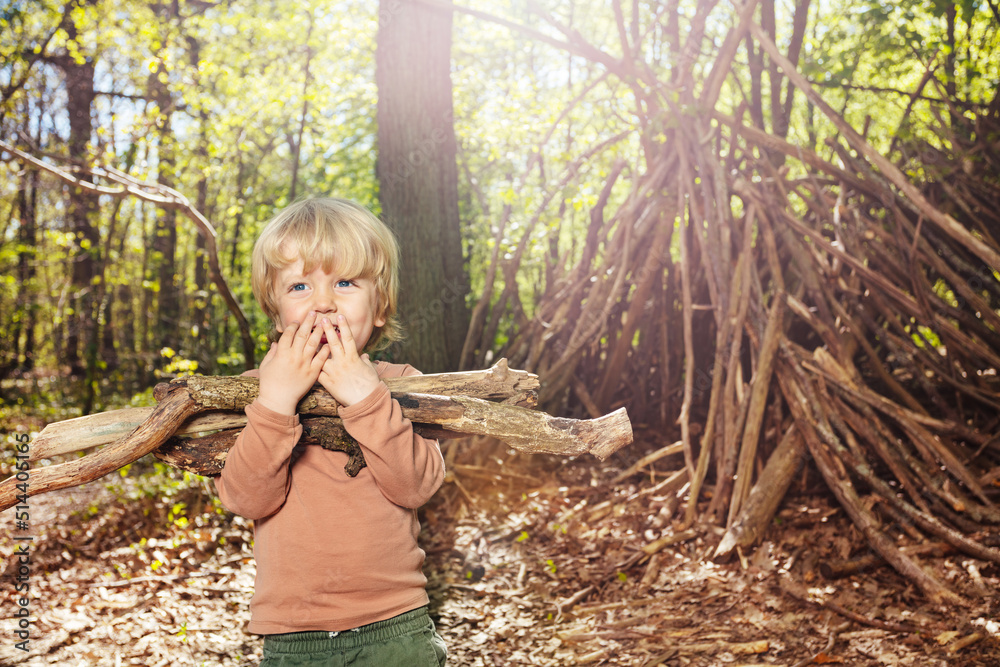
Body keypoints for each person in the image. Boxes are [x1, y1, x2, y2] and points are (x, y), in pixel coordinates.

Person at [215, 197, 448, 666]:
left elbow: (417, 485)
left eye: (345, 282)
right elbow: (245, 499)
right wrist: (276, 403)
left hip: (395, 625)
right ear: (277, 313)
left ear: (379, 305)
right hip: (292, 635)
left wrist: (367, 397)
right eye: (299, 286)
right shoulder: (250, 396)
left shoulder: (403, 382)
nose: (323, 302)